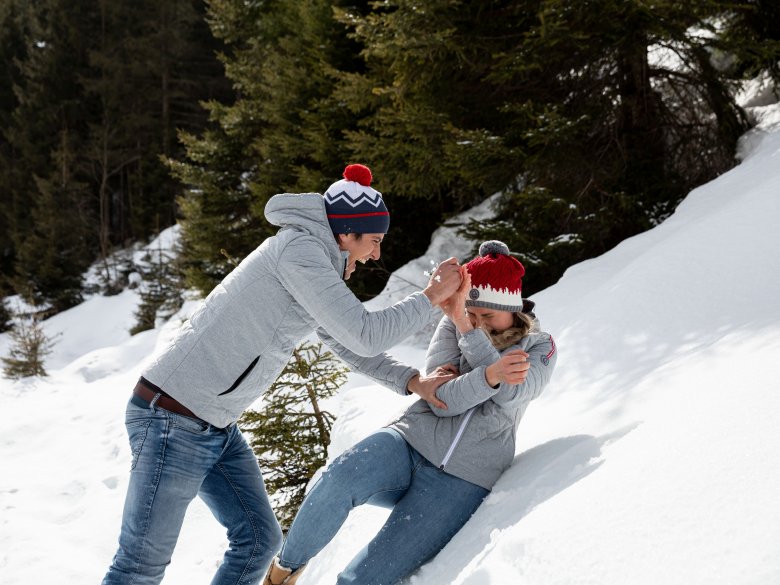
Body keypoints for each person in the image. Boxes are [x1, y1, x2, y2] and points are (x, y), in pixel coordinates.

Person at [102, 164, 463, 585]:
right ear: (347, 232)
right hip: (173, 418)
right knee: (140, 566)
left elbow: (349, 344)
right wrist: (431, 296)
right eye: (375, 241)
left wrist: (411, 381)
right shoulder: (299, 253)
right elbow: (365, 334)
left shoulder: (313, 263)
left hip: (212, 425)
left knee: (257, 540)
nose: (376, 254)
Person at [263, 240, 558, 585]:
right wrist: (490, 372)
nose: (476, 323)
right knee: (339, 478)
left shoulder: (540, 347)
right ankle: (282, 572)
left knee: (362, 579)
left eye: (486, 316)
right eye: (470, 313)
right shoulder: (453, 325)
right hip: (407, 441)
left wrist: (477, 359)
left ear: (512, 308)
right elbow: (440, 398)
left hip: (463, 480)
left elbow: (513, 395)